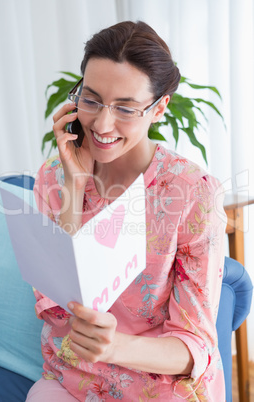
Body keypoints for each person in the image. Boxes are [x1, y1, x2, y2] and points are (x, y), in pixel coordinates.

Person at [26, 20, 226, 401]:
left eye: (126, 108)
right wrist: (75, 185)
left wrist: (113, 346)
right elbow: (56, 308)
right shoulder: (53, 177)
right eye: (92, 99)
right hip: (73, 378)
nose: (102, 123)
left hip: (161, 386)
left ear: (159, 108)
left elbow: (194, 345)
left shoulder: (193, 194)